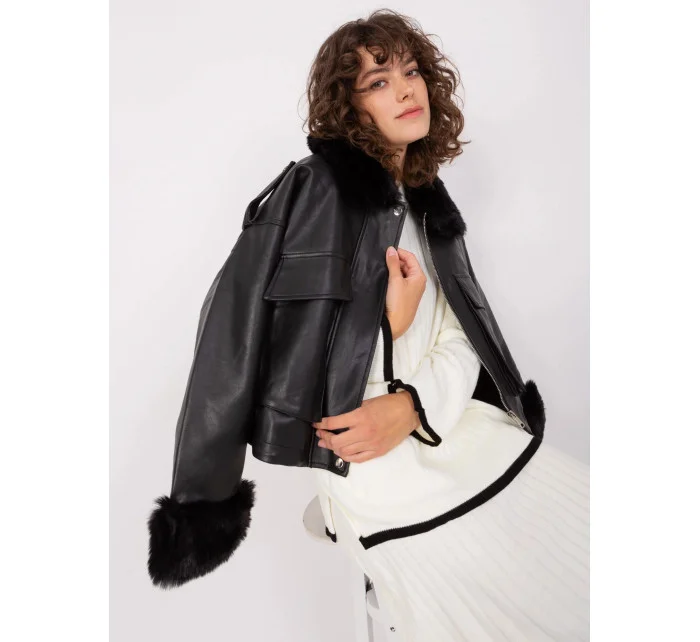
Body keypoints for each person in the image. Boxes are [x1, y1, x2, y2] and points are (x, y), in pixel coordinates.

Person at [305, 10, 589, 642]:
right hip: (375, 469)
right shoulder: (325, 208)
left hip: (455, 431)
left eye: (411, 72)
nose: (406, 90)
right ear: (349, 108)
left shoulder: (424, 204)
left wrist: (413, 405)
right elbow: (300, 369)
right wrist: (391, 324)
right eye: (378, 81)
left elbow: (460, 340)